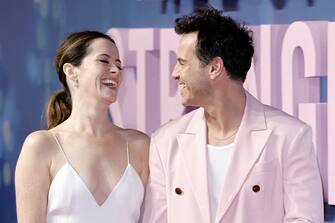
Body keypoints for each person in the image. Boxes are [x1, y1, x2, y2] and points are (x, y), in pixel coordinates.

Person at [143, 7, 324, 223]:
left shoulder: (290, 136)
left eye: (182, 63)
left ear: (214, 68)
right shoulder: (165, 141)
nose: (174, 73)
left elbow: (305, 219)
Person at [15, 31, 149, 223]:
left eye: (119, 65)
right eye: (104, 61)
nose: (116, 70)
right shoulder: (41, 146)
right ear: (71, 71)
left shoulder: (140, 145)